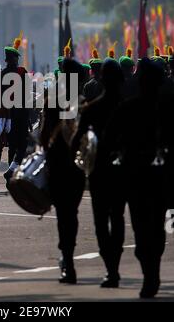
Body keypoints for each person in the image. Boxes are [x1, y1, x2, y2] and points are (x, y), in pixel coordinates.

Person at [105, 58, 171, 298]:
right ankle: (151, 271)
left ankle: (150, 272)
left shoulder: (129, 107)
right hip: (151, 177)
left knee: (144, 228)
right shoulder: (162, 107)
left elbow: (108, 142)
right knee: (153, 228)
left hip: (140, 177)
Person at [72, 59, 126, 288]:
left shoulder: (91, 109)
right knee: (118, 218)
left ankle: (111, 269)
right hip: (122, 173)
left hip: (99, 173)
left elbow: (75, 142)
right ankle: (115, 264)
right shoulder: (129, 107)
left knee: (101, 222)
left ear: (101, 79)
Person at [40, 54, 86, 284]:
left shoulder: (52, 101)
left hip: (58, 165)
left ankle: (67, 259)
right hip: (76, 167)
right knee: (72, 213)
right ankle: (68, 256)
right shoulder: (82, 101)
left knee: (63, 215)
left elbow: (43, 135)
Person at [2, 33, 30, 187]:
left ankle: (10, 171)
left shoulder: (2, 74)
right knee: (22, 145)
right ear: (12, 59)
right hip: (19, 113)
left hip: (7, 114)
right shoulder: (21, 72)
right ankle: (12, 171)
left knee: (12, 145)